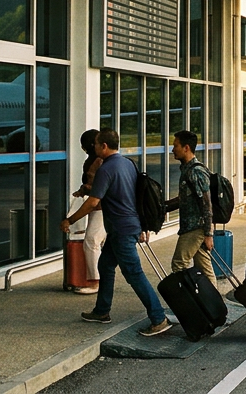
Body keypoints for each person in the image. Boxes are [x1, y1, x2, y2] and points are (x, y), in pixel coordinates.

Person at [61, 129, 171, 337]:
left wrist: (70, 219)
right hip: (124, 227)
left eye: (95, 144)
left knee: (134, 274)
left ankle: (158, 318)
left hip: (121, 230)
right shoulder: (128, 164)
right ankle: (102, 311)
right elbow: (136, 196)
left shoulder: (106, 169)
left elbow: (93, 202)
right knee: (105, 265)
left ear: (103, 146)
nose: (93, 148)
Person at [166, 130, 216, 284]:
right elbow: (185, 199)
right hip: (194, 227)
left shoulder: (196, 171)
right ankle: (215, 303)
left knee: (179, 264)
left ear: (186, 148)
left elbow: (206, 204)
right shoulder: (187, 169)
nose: (172, 149)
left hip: (196, 228)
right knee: (205, 269)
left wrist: (208, 233)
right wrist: (164, 207)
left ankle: (189, 301)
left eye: (176, 146)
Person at [70, 129, 104, 294]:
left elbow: (98, 186)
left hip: (100, 206)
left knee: (91, 241)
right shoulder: (92, 160)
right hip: (97, 206)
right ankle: (100, 279)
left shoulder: (98, 161)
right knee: (97, 243)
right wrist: (84, 190)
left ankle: (95, 283)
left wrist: (86, 189)